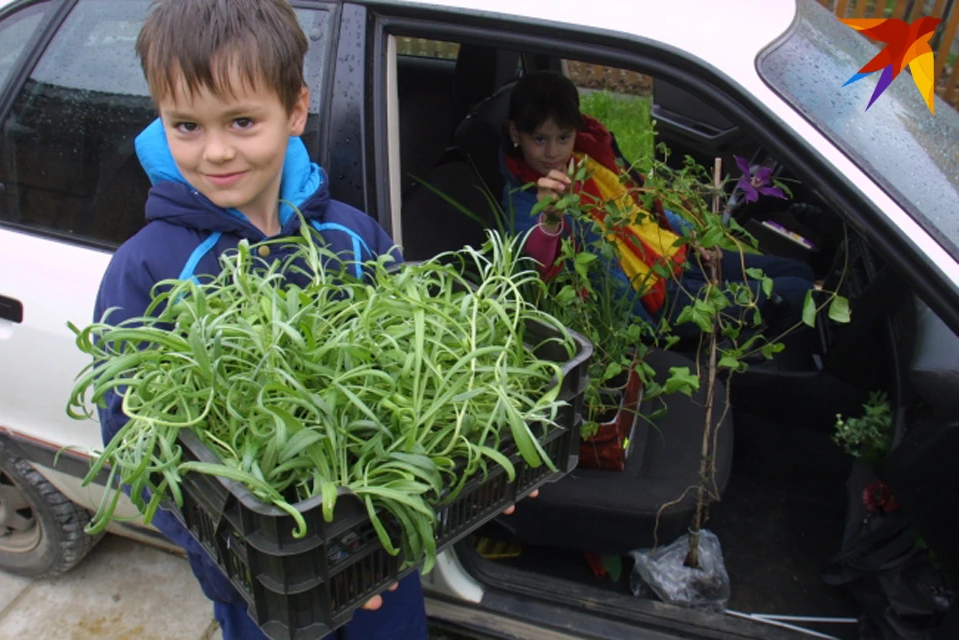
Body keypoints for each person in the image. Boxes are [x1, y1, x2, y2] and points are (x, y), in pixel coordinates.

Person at [93, 1, 424, 638]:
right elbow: (136, 446)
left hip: (382, 550)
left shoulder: (351, 237)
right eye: (185, 125)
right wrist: (229, 564)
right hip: (263, 591)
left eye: (242, 121)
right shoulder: (147, 271)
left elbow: (418, 376)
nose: (215, 151)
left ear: (296, 110)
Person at [500, 71, 816, 339]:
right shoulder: (524, 196)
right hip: (650, 301)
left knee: (799, 271)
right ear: (516, 133)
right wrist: (549, 220)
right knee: (795, 294)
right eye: (540, 139)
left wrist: (690, 236)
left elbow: (638, 211)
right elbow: (534, 269)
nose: (553, 152)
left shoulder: (586, 163)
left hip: (673, 257)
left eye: (564, 138)